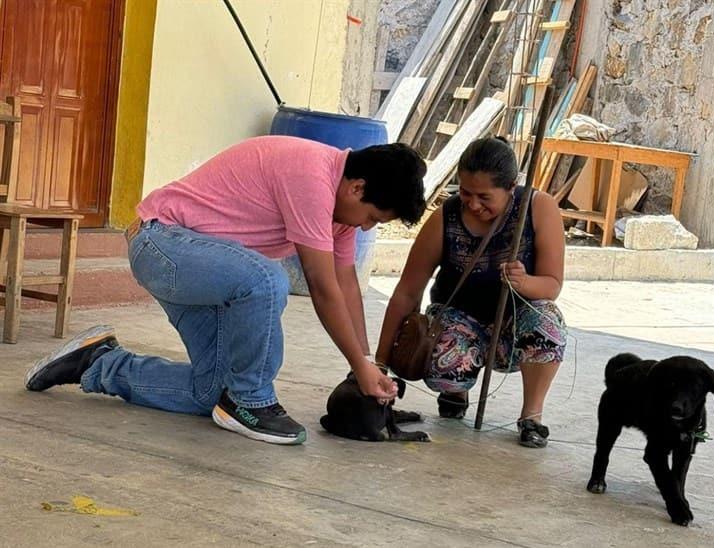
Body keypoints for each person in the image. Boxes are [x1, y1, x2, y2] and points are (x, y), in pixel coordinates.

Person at [24, 135, 427, 446]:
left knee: (212, 394)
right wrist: (359, 365)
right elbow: (321, 289)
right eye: (373, 217)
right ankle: (252, 402)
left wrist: (366, 365)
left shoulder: (342, 211)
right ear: (357, 188)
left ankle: (99, 363)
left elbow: (345, 287)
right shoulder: (312, 176)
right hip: (162, 244)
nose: (367, 228)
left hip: (204, 269)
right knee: (267, 280)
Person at [375, 136, 566, 448]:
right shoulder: (444, 217)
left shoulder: (538, 208)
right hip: (457, 321)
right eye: (465, 192)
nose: (473, 205)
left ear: (511, 187)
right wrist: (379, 364)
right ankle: (455, 391)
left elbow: (552, 284)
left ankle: (532, 416)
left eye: (484, 196)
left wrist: (523, 283)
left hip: (514, 328)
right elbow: (407, 291)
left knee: (549, 322)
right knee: (444, 362)